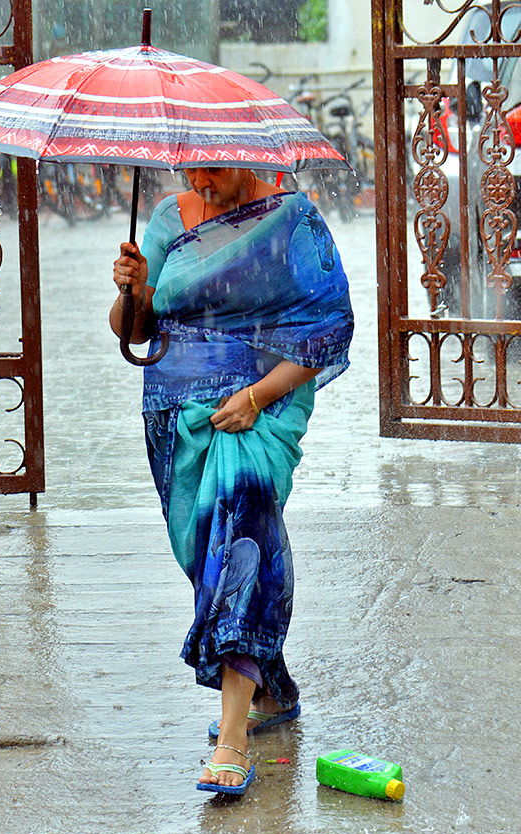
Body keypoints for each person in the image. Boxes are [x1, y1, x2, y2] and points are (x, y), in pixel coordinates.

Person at [111, 166, 353, 795]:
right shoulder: (166, 220)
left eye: (214, 167)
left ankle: (233, 739)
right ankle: (269, 685)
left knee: (242, 549)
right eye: (192, 168)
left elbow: (327, 328)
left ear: (246, 158)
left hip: (255, 414)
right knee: (204, 558)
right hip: (174, 415)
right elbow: (136, 330)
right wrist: (130, 289)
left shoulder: (290, 222)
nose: (202, 179)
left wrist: (255, 395)